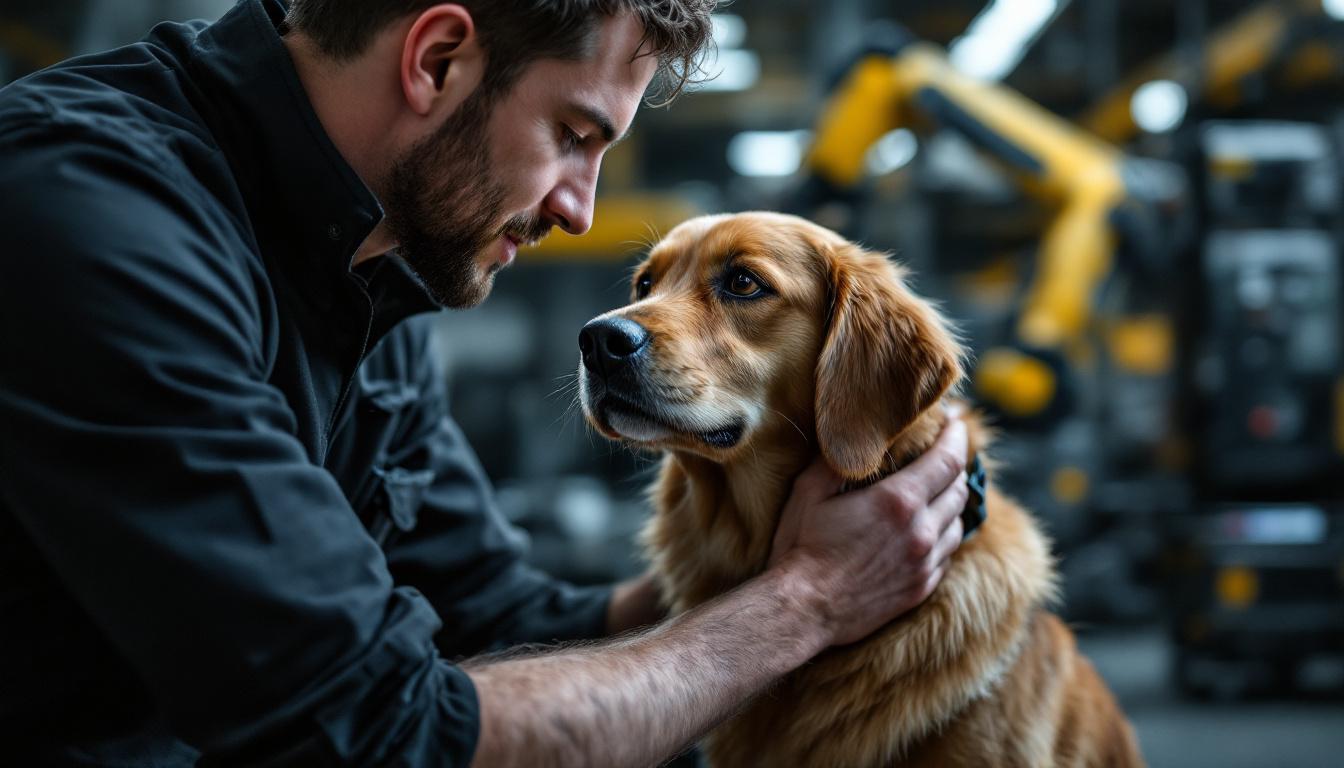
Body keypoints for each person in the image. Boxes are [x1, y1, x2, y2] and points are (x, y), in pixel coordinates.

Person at [0, 0, 971, 764]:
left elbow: (500, 618)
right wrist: (807, 602)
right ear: (436, 60)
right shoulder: (88, 222)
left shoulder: (373, 278)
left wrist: (777, 554)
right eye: (575, 134)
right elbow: (385, 737)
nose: (579, 210)